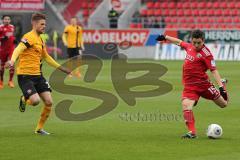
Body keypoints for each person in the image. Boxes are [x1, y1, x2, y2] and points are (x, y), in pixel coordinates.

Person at [5, 13, 71, 135]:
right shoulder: (29, 37)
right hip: (25, 75)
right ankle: (24, 98)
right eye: (42, 24)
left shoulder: (40, 39)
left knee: (49, 102)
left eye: (45, 24)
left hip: (38, 75)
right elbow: (18, 49)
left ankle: (39, 129)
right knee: (35, 101)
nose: (44, 26)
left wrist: (61, 68)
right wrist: (13, 61)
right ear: (34, 24)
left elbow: (46, 57)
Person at [156, 30, 229, 139]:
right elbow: (179, 42)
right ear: (192, 40)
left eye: (199, 43)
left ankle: (223, 84)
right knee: (186, 106)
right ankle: (192, 132)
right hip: (190, 86)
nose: (196, 45)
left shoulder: (207, 54)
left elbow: (213, 70)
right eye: (194, 42)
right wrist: (165, 37)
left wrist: (221, 87)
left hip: (204, 85)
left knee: (224, 104)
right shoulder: (189, 47)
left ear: (203, 41)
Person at [0, 15, 16, 89]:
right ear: (3, 20)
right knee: (2, 66)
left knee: (12, 64)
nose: (7, 20)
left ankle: (10, 81)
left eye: (8, 19)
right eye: (5, 19)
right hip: (2, 50)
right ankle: (1, 81)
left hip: (11, 49)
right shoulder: (0, 28)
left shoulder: (12, 27)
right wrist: (3, 38)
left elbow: (12, 36)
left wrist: (14, 39)